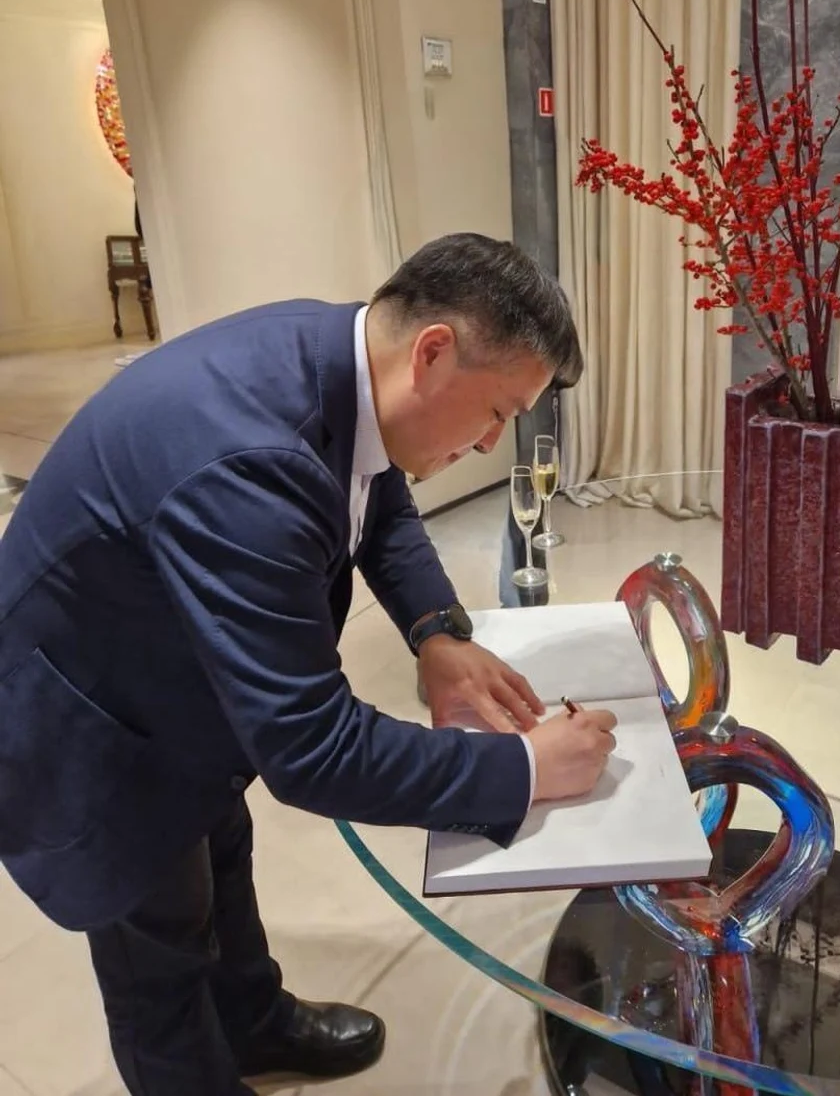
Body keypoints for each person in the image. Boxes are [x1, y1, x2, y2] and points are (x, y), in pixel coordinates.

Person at [0, 232, 617, 1096]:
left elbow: (380, 490)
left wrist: (437, 633)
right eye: (497, 410)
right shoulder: (251, 466)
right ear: (433, 351)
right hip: (94, 718)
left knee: (223, 848)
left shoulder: (344, 359)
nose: (491, 444)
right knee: (158, 948)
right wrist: (524, 769)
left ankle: (254, 1020)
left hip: (172, 671)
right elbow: (313, 748)